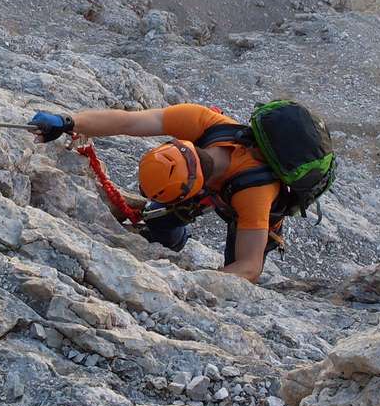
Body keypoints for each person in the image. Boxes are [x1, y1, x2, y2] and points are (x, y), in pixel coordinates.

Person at [29, 103, 289, 283]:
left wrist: (190, 283)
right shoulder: (199, 121)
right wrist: (69, 122)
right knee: (157, 217)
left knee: (237, 272)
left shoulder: (254, 195)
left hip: (254, 207)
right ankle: (171, 239)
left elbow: (249, 268)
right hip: (208, 185)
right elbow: (126, 121)